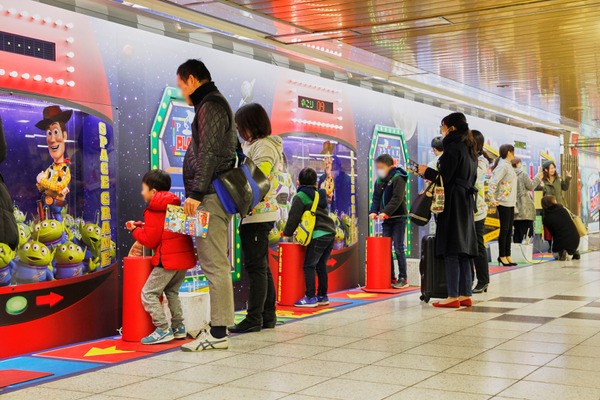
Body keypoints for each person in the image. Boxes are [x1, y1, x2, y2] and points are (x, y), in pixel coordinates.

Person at [177, 59, 238, 352]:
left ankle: (218, 332)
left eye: (181, 86)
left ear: (192, 80)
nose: (181, 93)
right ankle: (218, 328)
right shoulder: (213, 104)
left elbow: (210, 153)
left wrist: (197, 193)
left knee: (214, 263)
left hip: (210, 196)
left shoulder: (211, 105)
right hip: (212, 194)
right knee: (214, 262)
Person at [126, 170, 197, 345]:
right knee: (172, 292)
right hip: (183, 259)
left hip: (168, 260)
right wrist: (143, 226)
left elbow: (150, 240)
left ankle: (163, 329)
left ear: (154, 191)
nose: (142, 193)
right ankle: (179, 327)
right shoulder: (174, 205)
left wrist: (134, 230)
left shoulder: (154, 210)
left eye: (144, 189)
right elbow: (164, 231)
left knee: (148, 293)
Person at [228, 103, 282, 333]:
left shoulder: (263, 147)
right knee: (262, 267)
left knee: (256, 268)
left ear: (252, 125)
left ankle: (255, 318)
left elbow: (257, 176)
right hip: (257, 213)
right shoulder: (261, 145)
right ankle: (267, 315)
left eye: (241, 127)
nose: (240, 131)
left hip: (258, 213)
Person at [418, 112, 478, 308]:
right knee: (464, 249)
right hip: (466, 201)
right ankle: (465, 294)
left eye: (443, 126)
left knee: (452, 247)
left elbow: (445, 177)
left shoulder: (452, 147)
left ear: (451, 128)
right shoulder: (470, 148)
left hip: (452, 201)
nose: (441, 131)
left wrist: (425, 171)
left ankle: (452, 296)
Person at [282, 167, 336, 307]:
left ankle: (310, 297)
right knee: (320, 265)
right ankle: (323, 296)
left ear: (298, 182)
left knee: (309, 266)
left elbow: (293, 218)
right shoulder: (320, 194)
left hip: (318, 234)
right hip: (330, 232)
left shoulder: (300, 197)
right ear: (316, 183)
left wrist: (286, 232)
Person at [368, 154, 409, 289]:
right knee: (386, 249)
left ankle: (403, 277)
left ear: (390, 166)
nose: (379, 170)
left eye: (382, 167)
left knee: (398, 248)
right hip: (386, 220)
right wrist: (373, 211)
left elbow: (397, 198)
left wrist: (386, 212)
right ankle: (390, 276)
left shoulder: (398, 178)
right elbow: (376, 198)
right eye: (377, 168)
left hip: (398, 218)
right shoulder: (379, 181)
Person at [34, 106, 72, 222]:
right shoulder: (50, 168)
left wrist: (42, 180)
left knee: (58, 224)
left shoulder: (65, 169)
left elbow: (58, 186)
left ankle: (63, 238)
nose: (52, 139)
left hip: (56, 205)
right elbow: (40, 188)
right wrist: (40, 183)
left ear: (64, 136)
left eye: (55, 132)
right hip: (46, 204)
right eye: (49, 133)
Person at [488, 144, 518, 266]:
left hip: (510, 201)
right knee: (505, 229)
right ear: (509, 152)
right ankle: (502, 255)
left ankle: (507, 254)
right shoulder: (503, 166)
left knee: (509, 229)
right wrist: (492, 197)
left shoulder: (508, 166)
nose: (514, 154)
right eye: (513, 151)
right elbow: (493, 182)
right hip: (503, 202)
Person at [471, 130, 490, 293]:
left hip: (477, 211)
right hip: (467, 211)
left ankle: (483, 280)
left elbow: (472, 178)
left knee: (477, 246)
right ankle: (469, 279)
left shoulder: (481, 162)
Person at [512, 159, 543, 244]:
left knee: (517, 233)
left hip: (514, 208)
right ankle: (525, 254)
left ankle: (516, 252)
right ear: (518, 164)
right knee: (527, 233)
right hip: (525, 208)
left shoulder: (509, 174)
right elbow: (531, 186)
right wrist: (538, 177)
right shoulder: (523, 174)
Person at [541, 195, 580, 260]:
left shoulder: (546, 218)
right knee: (568, 243)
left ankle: (563, 253)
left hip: (562, 243)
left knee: (554, 254)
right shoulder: (563, 210)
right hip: (576, 240)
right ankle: (572, 253)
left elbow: (553, 234)